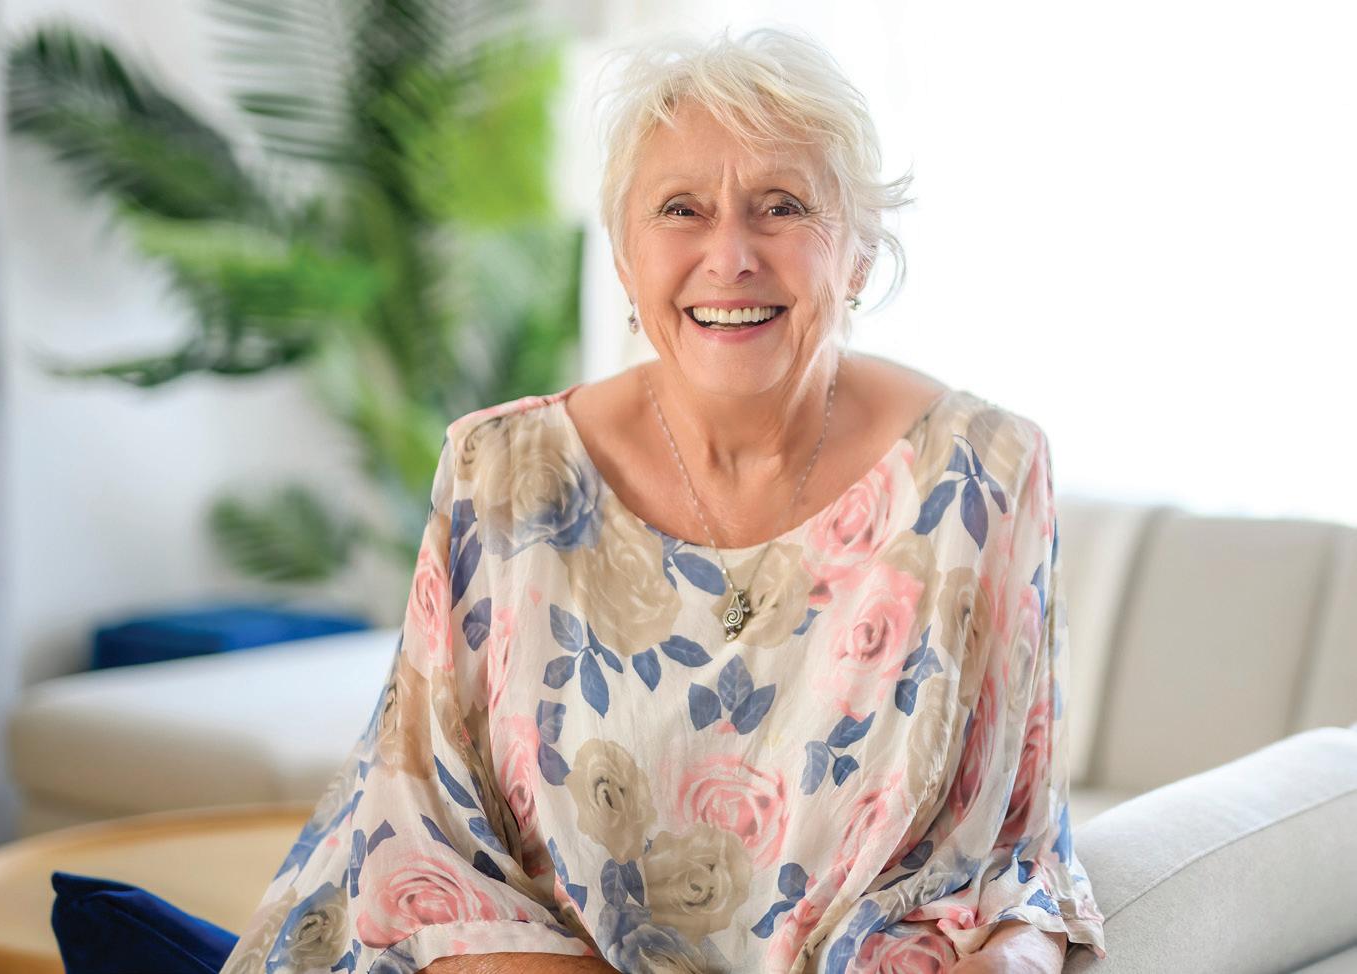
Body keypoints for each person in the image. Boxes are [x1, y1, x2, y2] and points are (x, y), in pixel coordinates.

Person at [219, 26, 1106, 974]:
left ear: (856, 254)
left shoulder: (984, 475)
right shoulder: (500, 469)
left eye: (781, 207)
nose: (730, 256)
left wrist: (1019, 954)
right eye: (681, 209)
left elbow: (1015, 851)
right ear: (623, 259)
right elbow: (423, 850)